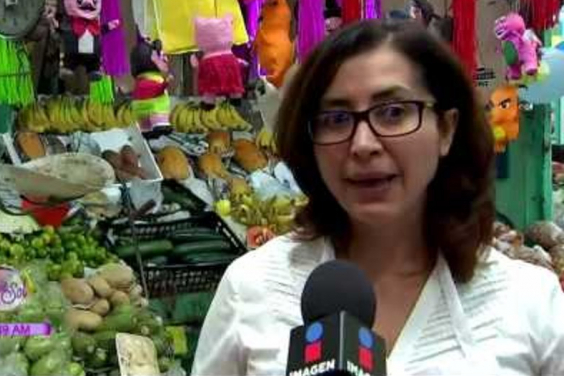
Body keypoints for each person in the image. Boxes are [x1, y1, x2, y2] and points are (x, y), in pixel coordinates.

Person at [191, 19, 564, 376]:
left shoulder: (529, 303)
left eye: (393, 112)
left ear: (446, 130)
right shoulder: (251, 289)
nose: (363, 145)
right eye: (336, 119)